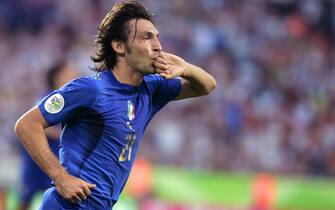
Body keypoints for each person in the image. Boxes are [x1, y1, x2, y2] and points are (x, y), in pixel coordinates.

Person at [14, 1, 216, 209]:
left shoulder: (152, 89)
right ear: (119, 46)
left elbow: (207, 86)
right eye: (146, 37)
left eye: (157, 37)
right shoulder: (90, 90)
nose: (157, 45)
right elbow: (27, 124)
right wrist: (61, 178)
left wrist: (186, 68)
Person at [18, 62, 78, 210]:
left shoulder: (72, 100)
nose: (74, 77)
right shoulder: (49, 98)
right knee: (27, 200)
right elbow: (33, 125)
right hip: (38, 164)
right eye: (68, 73)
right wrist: (65, 134)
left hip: (55, 164)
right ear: (56, 78)